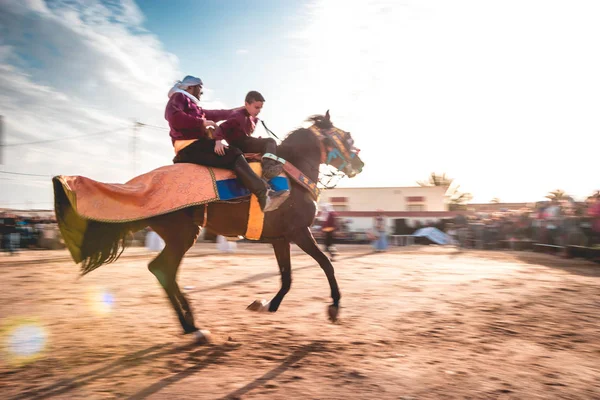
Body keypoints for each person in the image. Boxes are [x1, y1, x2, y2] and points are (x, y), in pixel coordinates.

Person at [165, 76, 283, 212]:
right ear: (190, 87)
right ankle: (263, 195)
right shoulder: (179, 97)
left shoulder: (193, 106)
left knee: (234, 152)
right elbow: (173, 116)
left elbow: (214, 113)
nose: (201, 93)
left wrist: (234, 111)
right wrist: (202, 123)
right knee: (234, 153)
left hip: (197, 145)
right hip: (190, 147)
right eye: (200, 89)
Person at [214, 91, 286, 180]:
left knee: (271, 146)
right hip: (240, 144)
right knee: (270, 141)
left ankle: (272, 164)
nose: (259, 111)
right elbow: (221, 128)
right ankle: (268, 168)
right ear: (246, 104)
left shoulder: (251, 118)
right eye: (256, 107)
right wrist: (218, 141)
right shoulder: (237, 116)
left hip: (246, 141)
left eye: (260, 108)